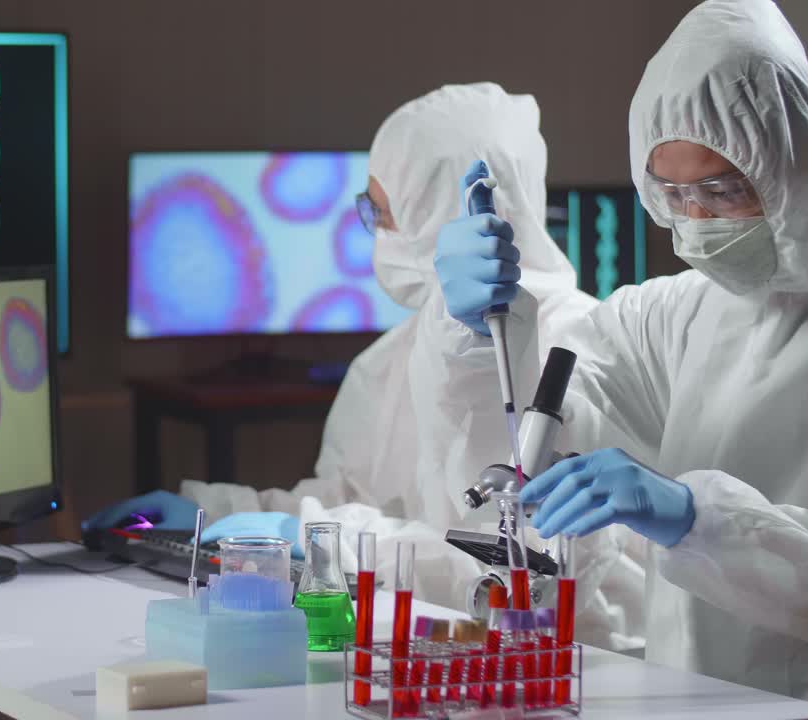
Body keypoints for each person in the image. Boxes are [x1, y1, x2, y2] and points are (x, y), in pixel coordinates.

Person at [85, 83, 645, 649]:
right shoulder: (388, 361)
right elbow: (348, 500)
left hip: (579, 678)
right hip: (428, 663)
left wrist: (315, 540)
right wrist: (216, 513)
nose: (375, 230)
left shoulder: (585, 352)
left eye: (382, 212)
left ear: (437, 211)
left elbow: (522, 580)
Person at [433, 0, 808, 711]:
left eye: (722, 190)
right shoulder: (668, 314)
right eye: (673, 193)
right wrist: (479, 335)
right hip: (686, 695)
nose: (694, 221)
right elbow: (535, 443)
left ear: (799, 162)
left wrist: (698, 517)